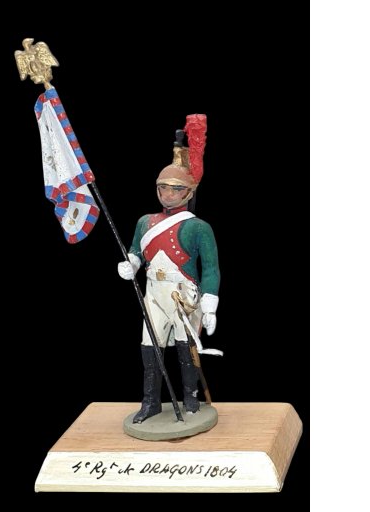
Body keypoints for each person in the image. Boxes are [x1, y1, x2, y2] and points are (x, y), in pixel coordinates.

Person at [117, 114, 220, 424]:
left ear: (188, 192)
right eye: (163, 188)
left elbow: (211, 269)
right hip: (154, 293)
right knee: (150, 349)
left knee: (185, 351)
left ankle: (191, 399)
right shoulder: (144, 222)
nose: (167, 194)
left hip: (184, 295)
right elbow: (137, 250)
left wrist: (210, 306)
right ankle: (150, 403)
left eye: (175, 188)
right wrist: (131, 264)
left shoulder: (198, 227)